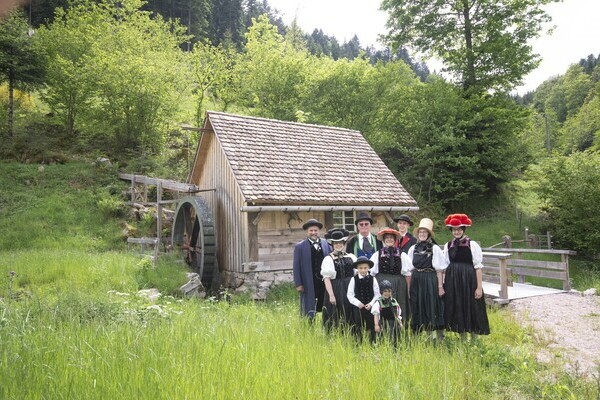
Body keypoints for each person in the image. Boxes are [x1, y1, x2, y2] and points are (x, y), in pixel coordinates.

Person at [442, 214, 490, 339]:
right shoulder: (448, 245)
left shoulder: (471, 244)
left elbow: (478, 267)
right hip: (453, 280)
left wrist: (479, 287)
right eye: (454, 229)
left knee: (471, 305)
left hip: (469, 279)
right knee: (458, 305)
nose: (456, 232)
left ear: (463, 230)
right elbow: (445, 265)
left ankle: (474, 338)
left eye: (459, 229)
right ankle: (462, 337)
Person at [407, 218, 446, 340]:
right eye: (420, 232)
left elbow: (439, 269)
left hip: (430, 278)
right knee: (417, 304)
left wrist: (440, 286)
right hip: (416, 279)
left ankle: (435, 336)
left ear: (428, 234)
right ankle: (418, 335)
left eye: (425, 232)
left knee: (431, 305)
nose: (422, 234)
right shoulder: (413, 248)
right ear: (418, 234)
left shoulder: (434, 248)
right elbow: (409, 268)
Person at [370, 228, 412, 325]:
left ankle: (399, 330)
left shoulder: (402, 255)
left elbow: (408, 273)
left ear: (395, 239)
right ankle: (382, 329)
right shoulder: (377, 254)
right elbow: (372, 273)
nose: (389, 239)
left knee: (398, 306)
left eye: (391, 238)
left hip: (398, 285)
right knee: (382, 307)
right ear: (384, 240)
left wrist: (408, 290)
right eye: (387, 238)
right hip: (382, 283)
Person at [293, 218, 331, 319]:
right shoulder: (300, 247)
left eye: (315, 230)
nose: (313, 232)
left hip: (324, 282)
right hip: (308, 282)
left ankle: (326, 325)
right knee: (309, 307)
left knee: (325, 305)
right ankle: (309, 327)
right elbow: (296, 267)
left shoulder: (326, 244)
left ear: (319, 231)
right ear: (307, 232)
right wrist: (298, 284)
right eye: (311, 230)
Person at [321, 228, 357, 331]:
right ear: (332, 244)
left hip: (350, 287)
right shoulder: (328, 259)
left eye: (340, 242)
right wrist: (331, 295)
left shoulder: (351, 257)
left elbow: (357, 273)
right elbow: (327, 278)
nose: (338, 245)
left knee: (351, 310)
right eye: (336, 243)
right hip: (336, 288)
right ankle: (337, 335)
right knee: (337, 312)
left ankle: (352, 333)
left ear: (344, 243)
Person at [347, 256, 380, 343]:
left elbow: (377, 294)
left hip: (370, 307)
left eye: (365, 268)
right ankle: (358, 344)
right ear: (357, 268)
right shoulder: (353, 279)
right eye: (360, 268)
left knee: (371, 325)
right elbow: (350, 295)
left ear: (368, 268)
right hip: (358, 308)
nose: (363, 270)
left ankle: (373, 343)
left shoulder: (373, 279)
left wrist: (371, 304)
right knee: (358, 325)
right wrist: (358, 303)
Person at [372, 280, 403, 346]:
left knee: (394, 338)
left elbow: (397, 314)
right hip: (383, 324)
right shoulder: (379, 302)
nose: (387, 293)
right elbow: (376, 314)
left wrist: (400, 323)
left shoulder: (394, 301)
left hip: (394, 324)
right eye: (385, 291)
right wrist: (376, 325)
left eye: (389, 291)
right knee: (383, 338)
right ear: (381, 292)